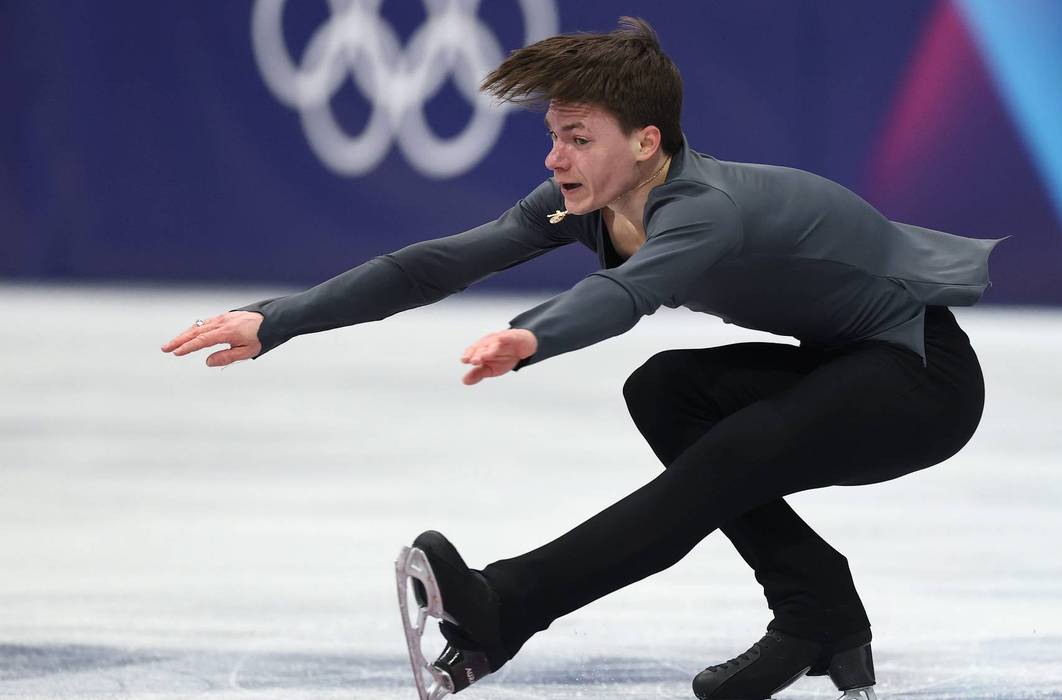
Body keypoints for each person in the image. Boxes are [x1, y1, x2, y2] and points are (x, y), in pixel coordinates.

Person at [162, 17, 1006, 700]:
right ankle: (817, 609)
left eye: (575, 137)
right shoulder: (583, 201)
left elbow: (625, 297)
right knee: (668, 393)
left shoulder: (702, 209)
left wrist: (532, 338)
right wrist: (278, 321)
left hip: (920, 380)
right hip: (843, 359)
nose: (553, 157)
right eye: (552, 136)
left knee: (735, 452)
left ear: (644, 141)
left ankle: (504, 607)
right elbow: (439, 262)